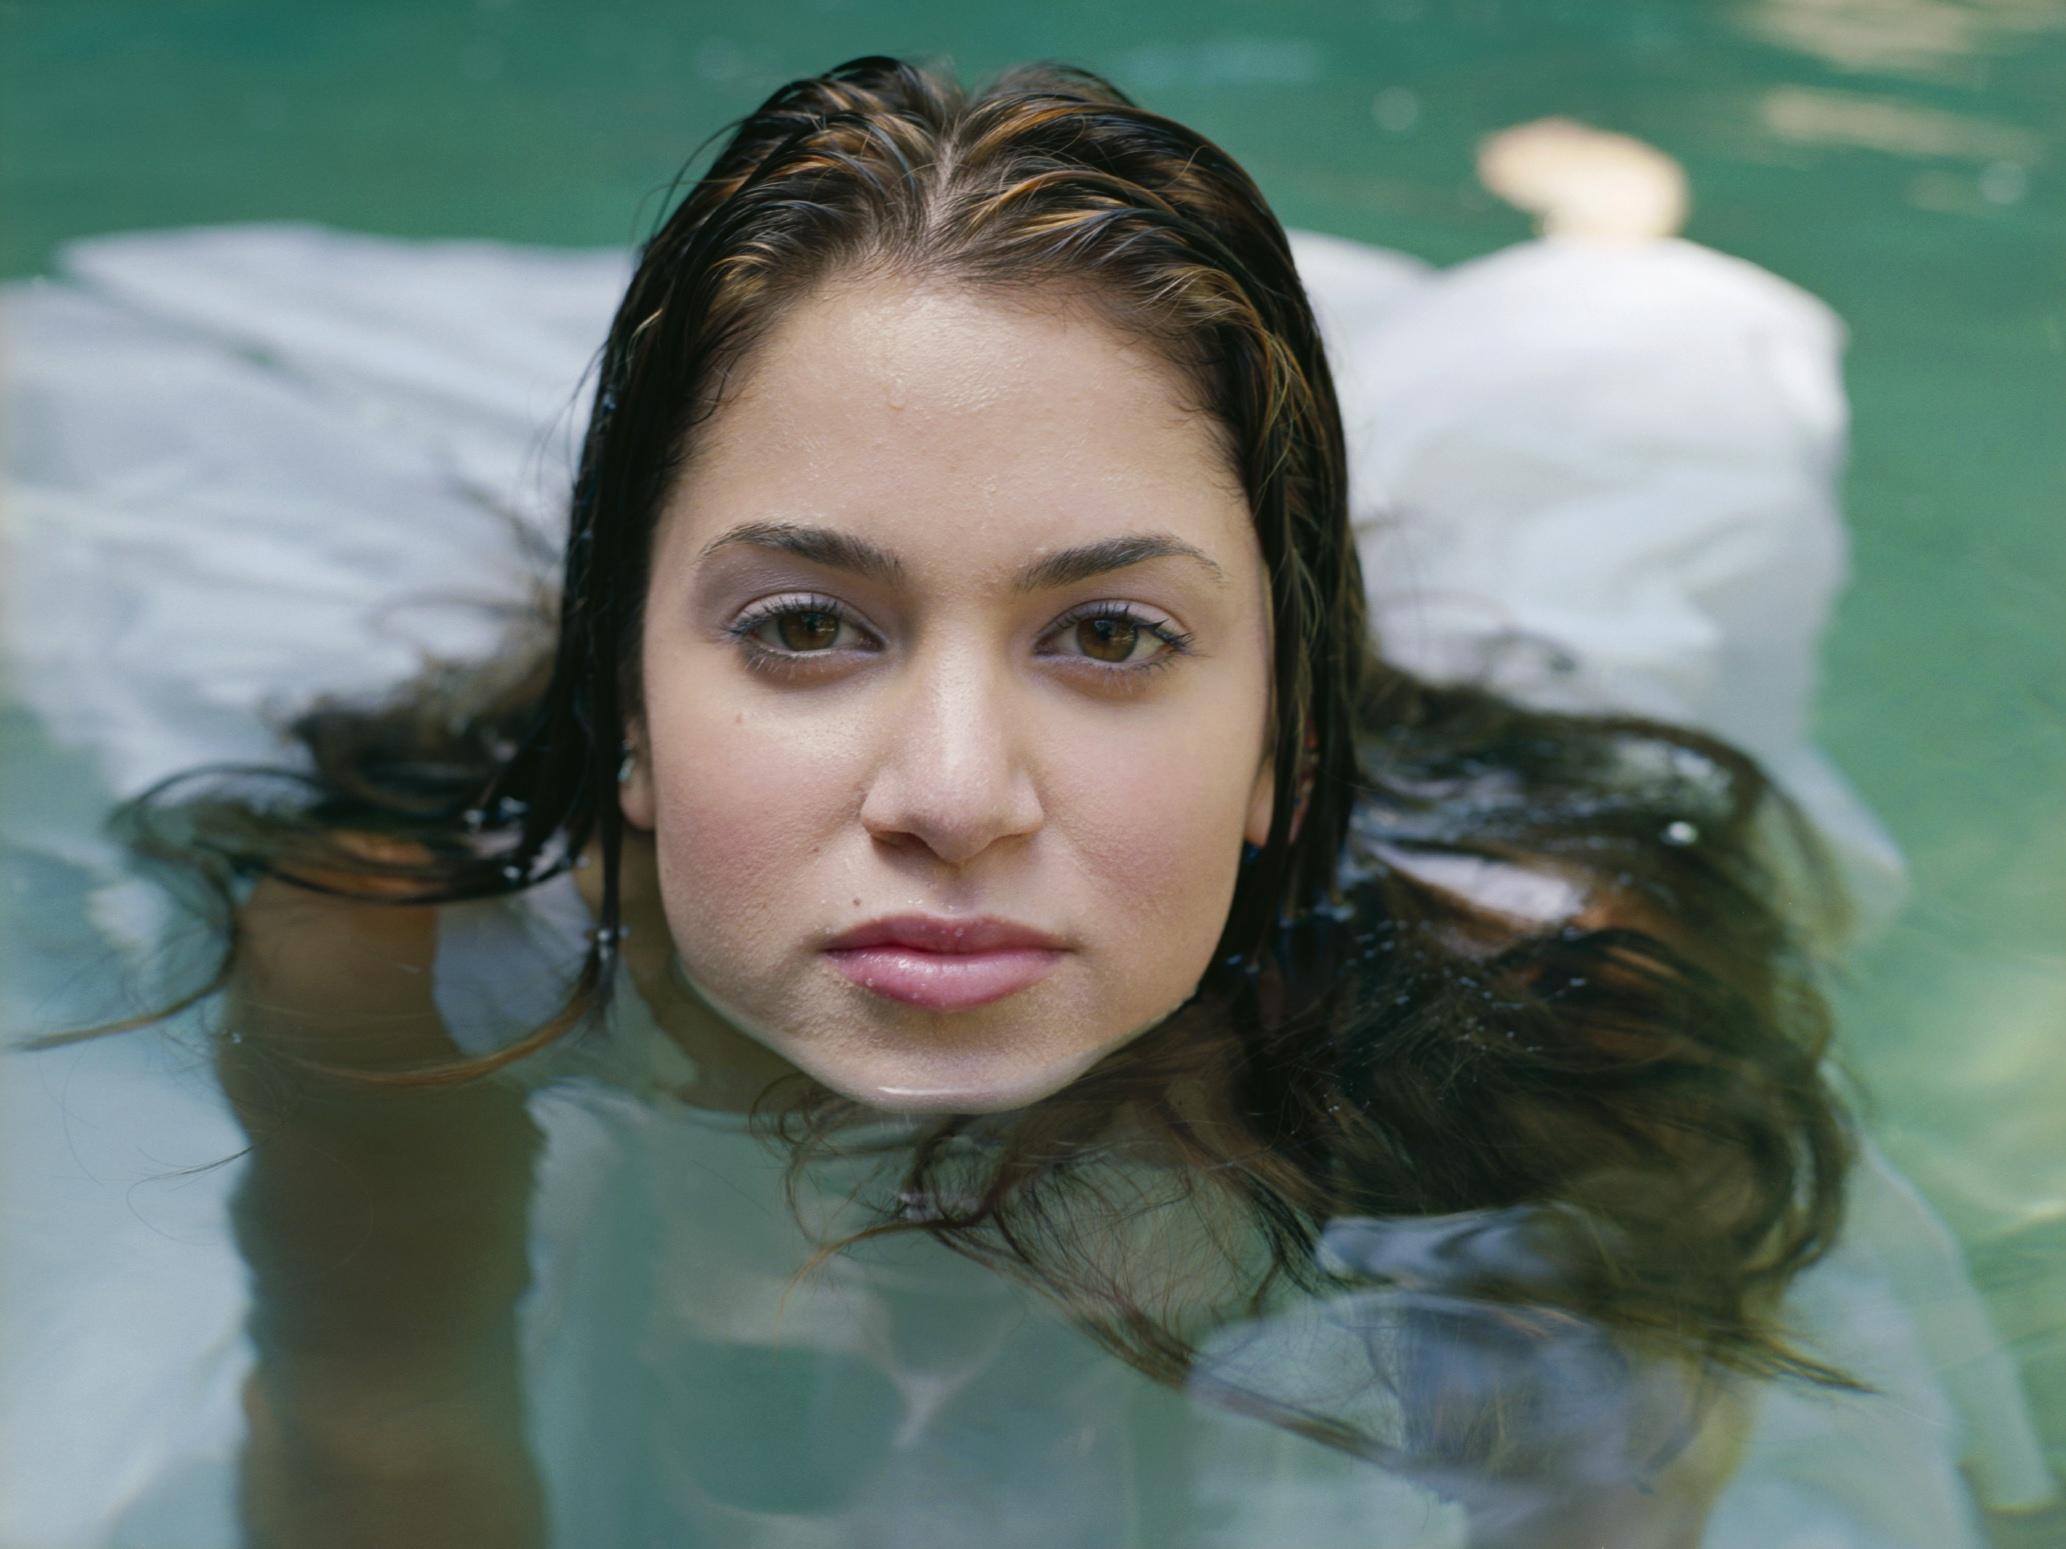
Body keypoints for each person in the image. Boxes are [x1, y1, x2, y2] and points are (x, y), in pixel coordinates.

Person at [0, 57, 2051, 1549]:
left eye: (1109, 642)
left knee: (1662, 396)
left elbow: (1598, 1518)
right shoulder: (398, 941)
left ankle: (1598, 234)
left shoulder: (1563, 988)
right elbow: (376, 1451)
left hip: (1430, 768)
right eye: (806, 626)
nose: (955, 796)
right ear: (624, 705)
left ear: (1279, 748)